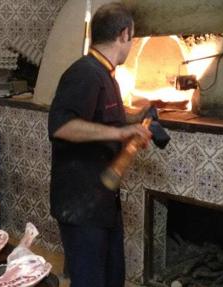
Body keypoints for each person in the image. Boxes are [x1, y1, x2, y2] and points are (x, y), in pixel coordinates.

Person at [47, 2, 152, 286]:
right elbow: (62, 126)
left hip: (101, 202)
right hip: (81, 205)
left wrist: (134, 122)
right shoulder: (84, 73)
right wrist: (120, 134)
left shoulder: (105, 75)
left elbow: (101, 121)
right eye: (133, 38)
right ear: (124, 34)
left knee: (111, 278)